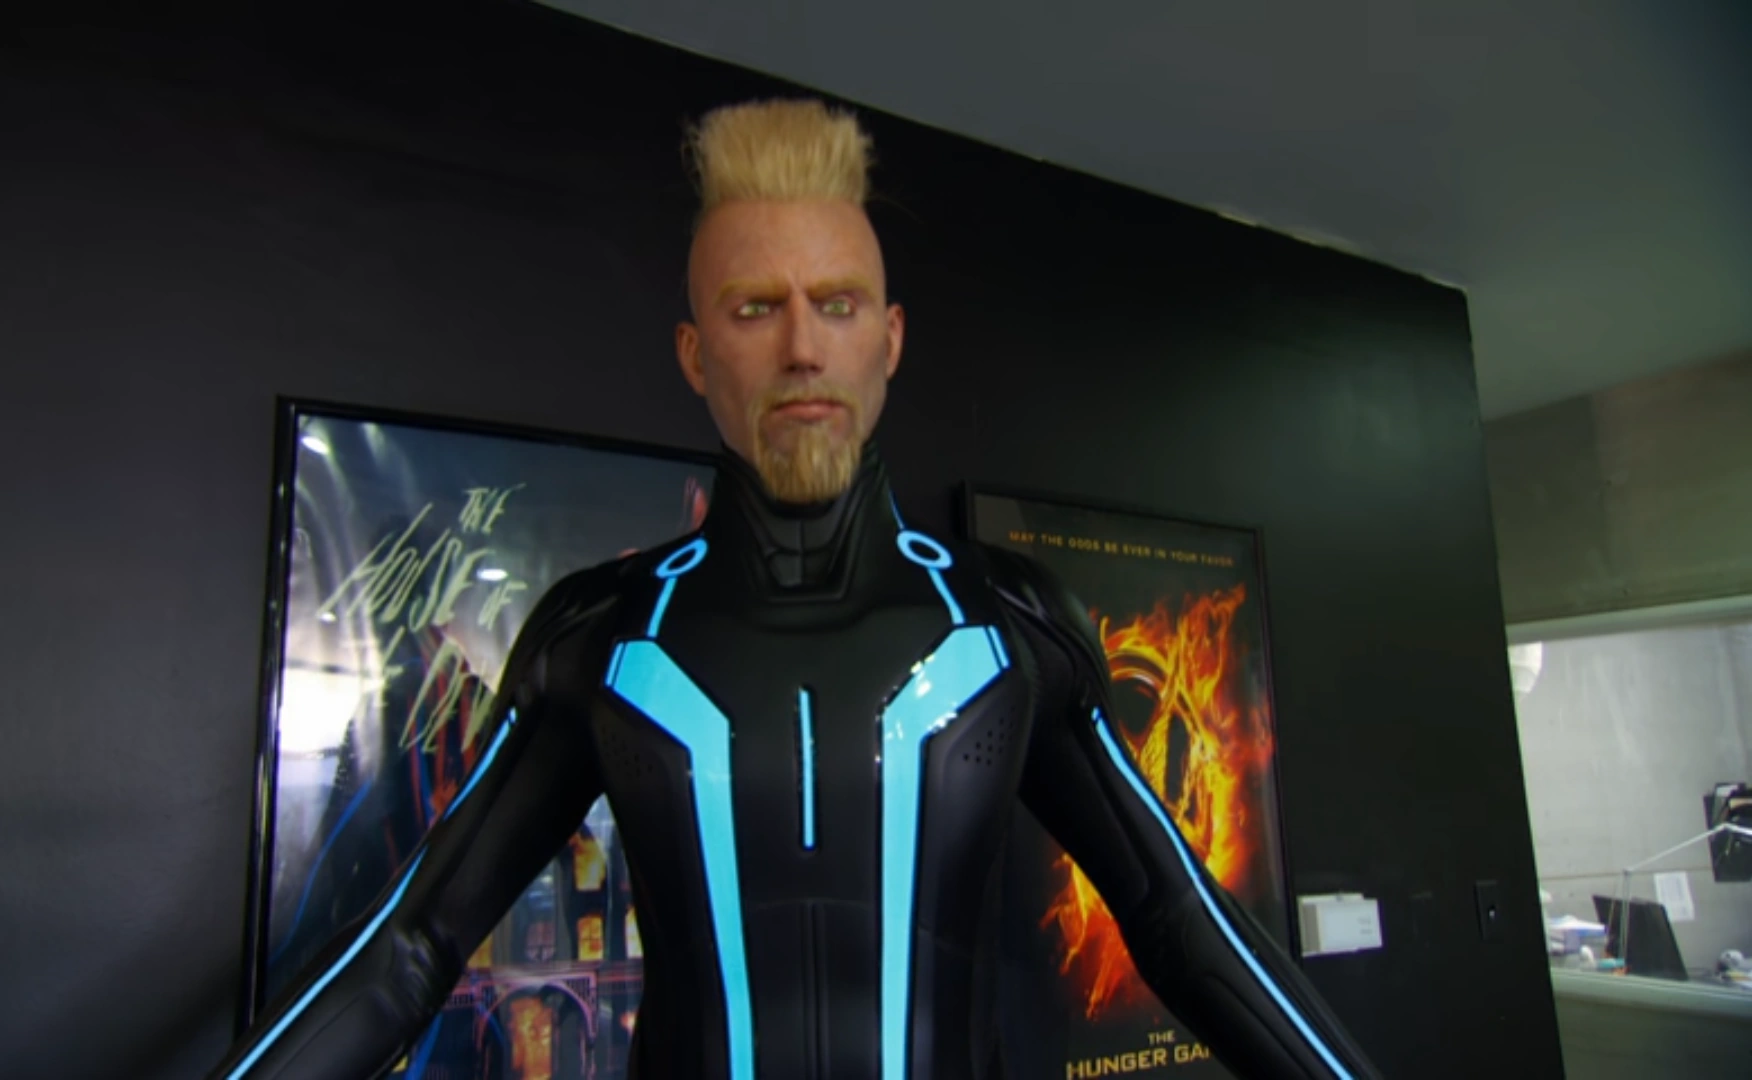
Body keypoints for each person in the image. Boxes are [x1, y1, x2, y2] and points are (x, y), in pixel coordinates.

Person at [210, 98, 1382, 1080]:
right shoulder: (602, 637)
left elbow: (1182, 922)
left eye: (838, 303)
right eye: (755, 309)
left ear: (890, 339)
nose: (803, 349)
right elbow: (410, 949)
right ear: (695, 353)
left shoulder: (1007, 622)